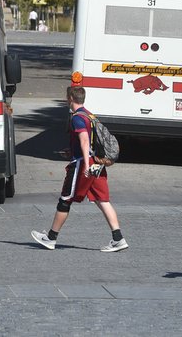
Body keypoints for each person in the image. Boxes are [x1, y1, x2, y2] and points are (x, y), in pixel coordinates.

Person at [31, 86, 128, 252]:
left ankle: (51, 238)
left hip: (84, 164)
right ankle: (118, 239)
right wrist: (73, 151)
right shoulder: (89, 115)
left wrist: (86, 165)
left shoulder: (77, 118)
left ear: (69, 98)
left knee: (65, 199)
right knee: (102, 200)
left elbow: (84, 140)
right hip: (97, 163)